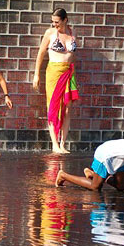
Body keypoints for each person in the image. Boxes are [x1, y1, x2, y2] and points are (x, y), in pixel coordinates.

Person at [33, 8, 79, 154]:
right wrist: (36, 74)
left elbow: (72, 56)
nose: (54, 25)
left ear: (65, 20)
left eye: (57, 22)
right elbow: (41, 53)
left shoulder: (72, 33)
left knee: (67, 108)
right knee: (53, 106)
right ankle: (54, 144)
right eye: (52, 22)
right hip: (53, 71)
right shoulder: (50, 33)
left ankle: (63, 143)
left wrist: (72, 71)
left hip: (69, 72)